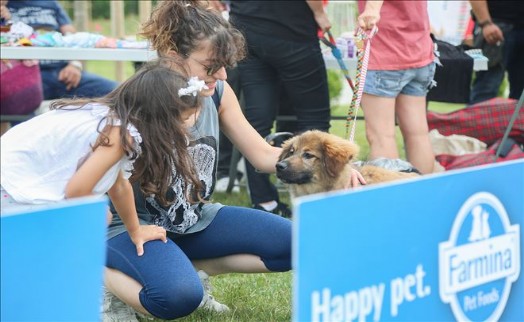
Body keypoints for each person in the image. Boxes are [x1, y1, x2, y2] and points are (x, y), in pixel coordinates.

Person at [103, 1, 365, 321]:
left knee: (299, 243)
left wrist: (333, 167)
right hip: (129, 227)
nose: (223, 75)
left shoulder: (218, 92)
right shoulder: (133, 100)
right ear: (172, 53)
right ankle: (102, 276)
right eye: (211, 66)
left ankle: (177, 265)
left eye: (225, 65)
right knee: (177, 298)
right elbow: (91, 174)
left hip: (191, 217)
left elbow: (263, 155)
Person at [0, 59, 207, 256]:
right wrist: (95, 209)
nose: (184, 128)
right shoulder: (119, 136)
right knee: (30, 251)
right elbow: (77, 191)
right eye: (183, 120)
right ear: (159, 117)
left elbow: (118, 186)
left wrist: (135, 231)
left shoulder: (116, 122)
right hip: (11, 181)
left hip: (15, 170)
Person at [227, 0, 333, 215]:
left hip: (247, 27)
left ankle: (264, 201)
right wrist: (320, 13)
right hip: (291, 28)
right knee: (314, 120)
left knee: (257, 121)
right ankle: (314, 200)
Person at [357, 0, 436, 174]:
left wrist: (372, 8)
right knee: (418, 135)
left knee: (381, 137)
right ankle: (424, 194)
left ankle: (392, 199)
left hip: (385, 55)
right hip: (419, 52)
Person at [6, 0, 118, 100]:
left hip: (64, 73)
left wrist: (75, 64)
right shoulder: (5, 7)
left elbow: (72, 36)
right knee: (20, 105)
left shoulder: (51, 3)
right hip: (26, 76)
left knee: (118, 91)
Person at [468, 0, 524, 104]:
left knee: (520, 97)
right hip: (492, 26)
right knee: (484, 89)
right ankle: (476, 120)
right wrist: (485, 23)